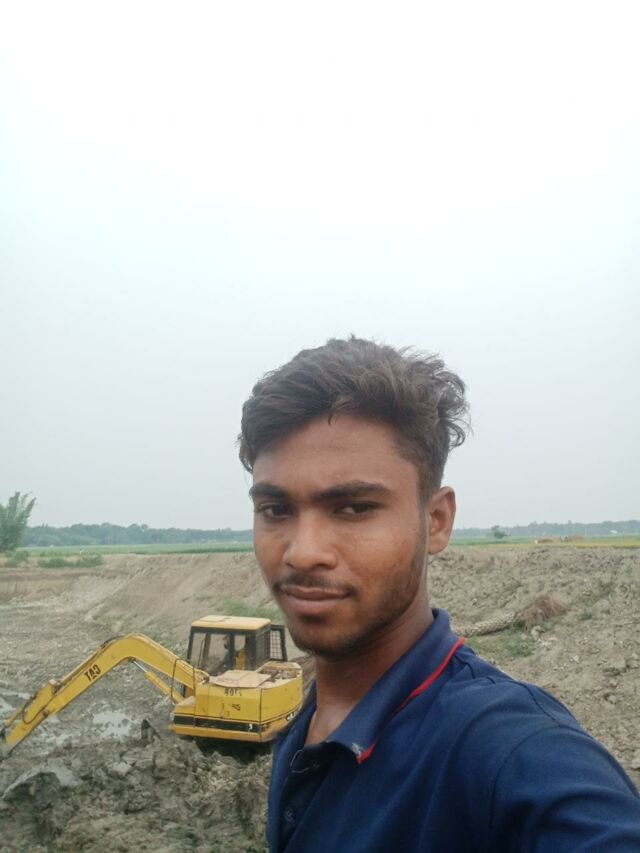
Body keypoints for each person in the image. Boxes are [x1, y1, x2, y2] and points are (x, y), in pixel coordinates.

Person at [239, 337, 640, 852]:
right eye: (275, 510)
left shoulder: (508, 751)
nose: (303, 552)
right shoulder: (307, 722)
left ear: (436, 521)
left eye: (355, 508)